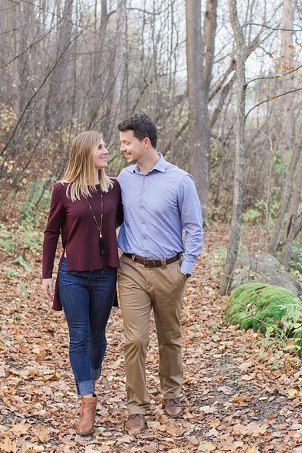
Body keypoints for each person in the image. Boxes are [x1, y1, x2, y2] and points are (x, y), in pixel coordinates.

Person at [115, 114, 204, 434]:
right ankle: (136, 405)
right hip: (132, 270)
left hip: (170, 270)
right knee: (135, 340)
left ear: (145, 142)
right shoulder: (122, 179)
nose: (122, 148)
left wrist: (185, 270)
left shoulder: (181, 180)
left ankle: (172, 393)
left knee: (170, 337)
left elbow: (194, 229)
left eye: (127, 142)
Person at [41, 131, 122, 436]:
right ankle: (88, 400)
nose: (106, 150)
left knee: (97, 337)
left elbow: (129, 222)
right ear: (86, 153)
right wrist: (46, 275)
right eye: (100, 147)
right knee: (79, 335)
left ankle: (90, 377)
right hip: (72, 274)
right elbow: (51, 233)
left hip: (104, 274)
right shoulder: (62, 190)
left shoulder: (114, 188)